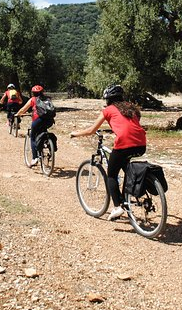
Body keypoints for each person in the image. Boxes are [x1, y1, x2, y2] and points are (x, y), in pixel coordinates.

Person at [69, 85, 146, 220]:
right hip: (141, 144)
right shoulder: (131, 107)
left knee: (111, 175)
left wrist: (75, 133)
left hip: (124, 144)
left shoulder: (108, 110)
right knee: (126, 167)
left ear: (108, 99)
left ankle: (117, 207)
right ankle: (126, 199)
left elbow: (91, 130)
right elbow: (131, 123)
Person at [16, 84, 53, 167]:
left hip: (38, 120)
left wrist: (17, 114)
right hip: (49, 120)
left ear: (33, 93)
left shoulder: (33, 99)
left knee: (32, 136)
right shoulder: (48, 99)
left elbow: (23, 109)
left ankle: (34, 158)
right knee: (43, 131)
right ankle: (48, 145)